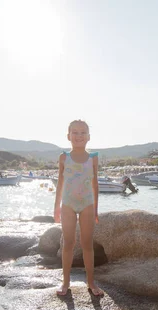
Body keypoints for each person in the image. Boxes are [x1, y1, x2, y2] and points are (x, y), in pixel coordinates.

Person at [54, 120, 103, 297]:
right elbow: (60, 182)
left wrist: (96, 209)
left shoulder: (93, 158)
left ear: (88, 137)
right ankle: (65, 282)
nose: (79, 136)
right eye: (75, 132)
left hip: (87, 204)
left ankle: (91, 282)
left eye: (83, 133)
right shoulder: (63, 157)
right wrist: (56, 208)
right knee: (68, 243)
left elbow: (95, 184)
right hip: (67, 204)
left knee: (86, 244)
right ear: (68, 136)